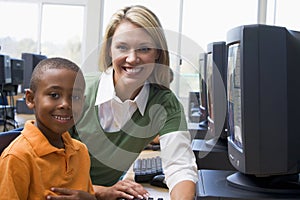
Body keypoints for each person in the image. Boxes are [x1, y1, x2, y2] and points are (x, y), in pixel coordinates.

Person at [70, 5, 198, 200]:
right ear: (109, 50)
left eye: (144, 49)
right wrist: (102, 191)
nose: (132, 58)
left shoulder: (165, 104)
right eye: (122, 47)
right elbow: (45, 173)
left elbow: (180, 168)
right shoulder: (78, 90)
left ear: (157, 53)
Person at [0, 57, 96, 200]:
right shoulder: (17, 158)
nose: (65, 104)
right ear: (31, 99)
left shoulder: (80, 151)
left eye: (75, 97)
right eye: (54, 95)